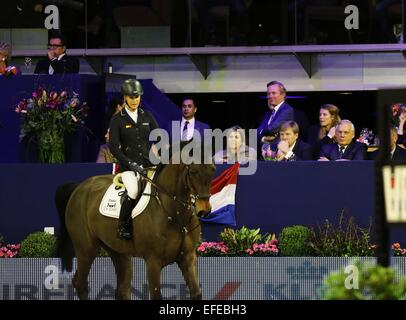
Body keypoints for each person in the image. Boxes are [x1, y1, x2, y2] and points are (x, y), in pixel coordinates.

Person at [109, 79, 159, 240]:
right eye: (131, 97)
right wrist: (129, 163)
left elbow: (159, 136)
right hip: (128, 166)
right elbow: (114, 147)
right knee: (133, 190)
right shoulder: (117, 119)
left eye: (137, 97)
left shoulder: (146, 115)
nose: (135, 101)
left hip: (148, 164)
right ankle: (123, 226)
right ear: (125, 98)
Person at [257, 80, 295, 148]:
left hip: (279, 153)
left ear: (283, 94)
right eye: (268, 94)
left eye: (273, 93)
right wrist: (263, 138)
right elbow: (256, 133)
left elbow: (271, 129)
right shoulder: (269, 113)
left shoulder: (287, 110)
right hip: (266, 154)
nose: (270, 96)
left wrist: (261, 133)